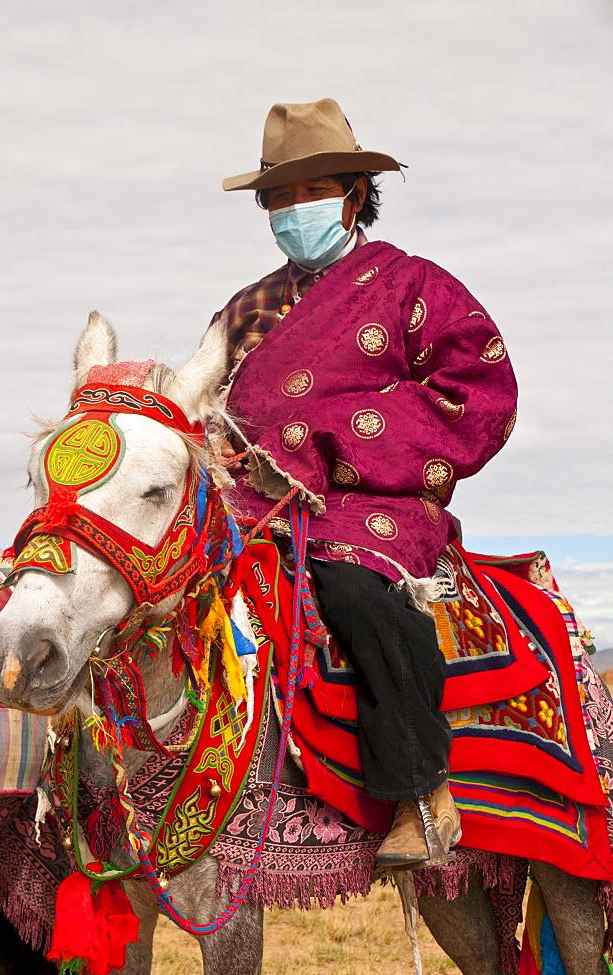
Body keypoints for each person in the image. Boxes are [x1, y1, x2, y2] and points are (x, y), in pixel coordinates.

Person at [213, 98, 518, 868]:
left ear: (352, 194)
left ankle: (423, 794)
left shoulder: (416, 287)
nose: (290, 210)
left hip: (370, 501)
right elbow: (206, 408)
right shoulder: (243, 310)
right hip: (251, 501)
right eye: (277, 198)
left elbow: (478, 394)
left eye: (308, 194)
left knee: (351, 593)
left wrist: (335, 435)